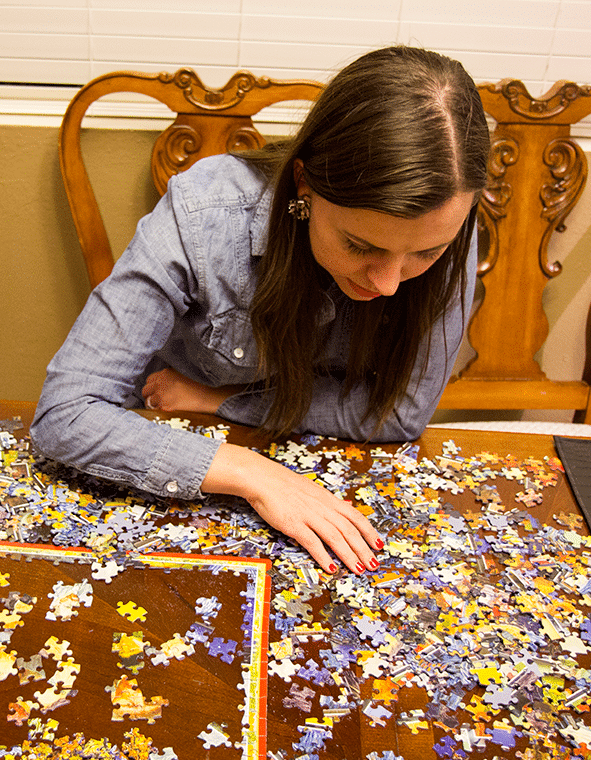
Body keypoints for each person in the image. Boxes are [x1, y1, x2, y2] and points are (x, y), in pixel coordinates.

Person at [30, 46, 490, 575]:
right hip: (172, 435)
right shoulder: (202, 211)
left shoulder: (448, 220)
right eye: (362, 246)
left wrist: (219, 399)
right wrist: (255, 472)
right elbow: (66, 411)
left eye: (425, 254)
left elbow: (403, 412)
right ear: (304, 185)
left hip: (300, 450)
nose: (388, 284)